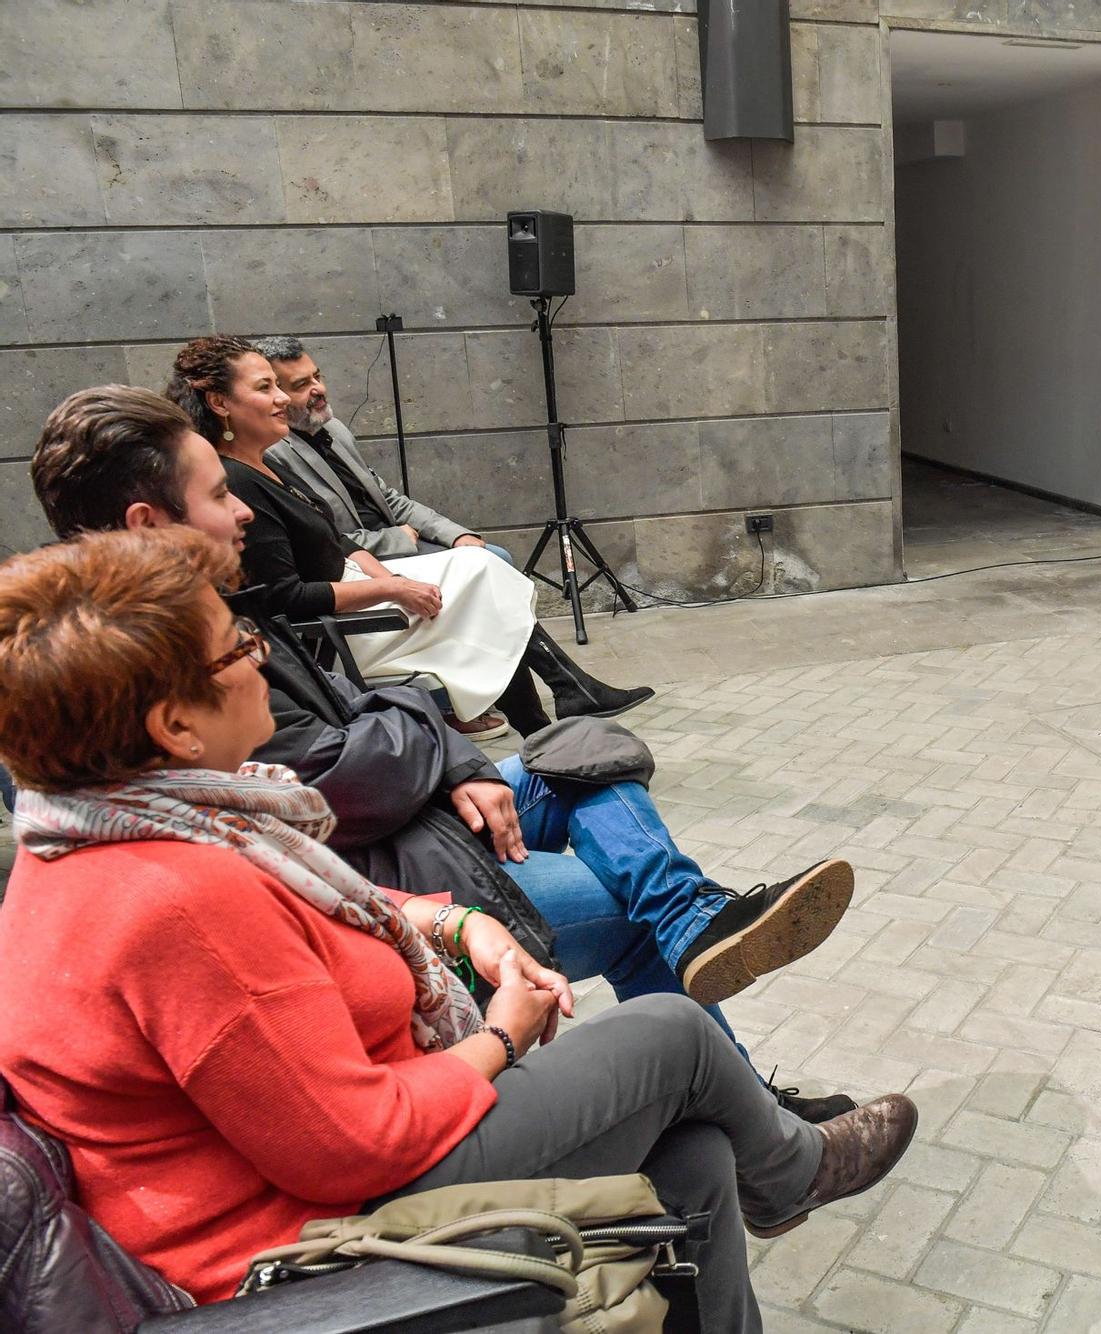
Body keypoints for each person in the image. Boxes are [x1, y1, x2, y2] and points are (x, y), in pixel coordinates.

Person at [0, 527, 918, 1326]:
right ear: (172, 724)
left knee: (693, 1153)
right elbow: (351, 1146)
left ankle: (761, 1176)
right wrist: (503, 1038)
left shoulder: (141, 827)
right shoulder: (172, 898)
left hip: (350, 1152)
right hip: (313, 1239)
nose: (257, 654)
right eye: (235, 646)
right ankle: (793, 1173)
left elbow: (324, 904)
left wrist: (456, 925)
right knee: (670, 1037)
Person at [31, 385, 860, 1123]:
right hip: (387, 867)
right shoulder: (142, 659)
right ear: (149, 523)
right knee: (628, 914)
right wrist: (429, 746)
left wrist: (457, 761)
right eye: (219, 493)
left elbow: (370, 713)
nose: (243, 508)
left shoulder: (202, 603)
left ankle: (692, 920)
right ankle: (753, 1119)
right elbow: (336, 780)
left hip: (408, 820)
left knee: (587, 748)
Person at [256, 334, 653, 724]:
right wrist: (398, 543)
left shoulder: (335, 431)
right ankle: (553, 697)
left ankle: (551, 701)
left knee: (486, 559)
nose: (318, 389)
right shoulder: (272, 455)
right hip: (370, 565)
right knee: (491, 572)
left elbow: (390, 498)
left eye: (317, 376)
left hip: (394, 550)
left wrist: (455, 533)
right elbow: (325, 543)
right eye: (300, 385)